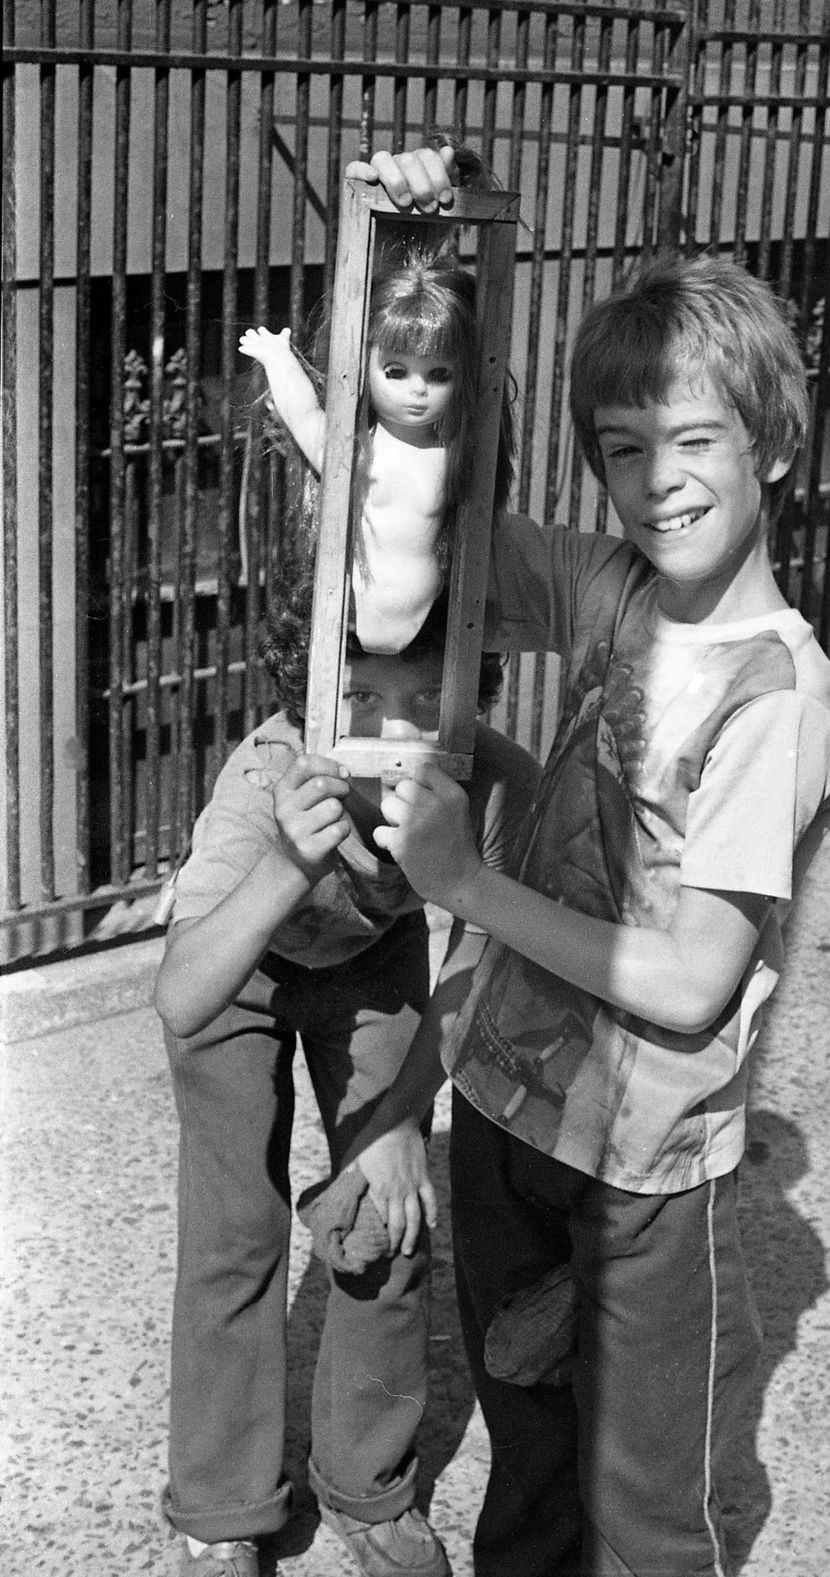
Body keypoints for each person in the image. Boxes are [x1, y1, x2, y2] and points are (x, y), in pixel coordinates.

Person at [349, 144, 830, 1576]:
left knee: (643, 1513)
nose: (655, 480)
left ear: (771, 444)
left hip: (644, 1173)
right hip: (513, 1118)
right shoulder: (615, 590)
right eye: (622, 448)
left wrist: (468, 887)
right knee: (531, 1450)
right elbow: (425, 507)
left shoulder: (779, 696)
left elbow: (696, 983)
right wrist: (420, 249)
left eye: (692, 439)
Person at [153, 567, 541, 1577]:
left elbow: (480, 955)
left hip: (371, 955)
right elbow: (184, 995)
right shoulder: (267, 777)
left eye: (427, 698)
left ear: (471, 689)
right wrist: (287, 859)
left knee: (389, 1211)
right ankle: (219, 1506)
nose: (397, 731)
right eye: (361, 698)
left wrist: (402, 1117)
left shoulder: (492, 778)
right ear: (311, 688)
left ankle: (367, 1486)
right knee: (234, 1230)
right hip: (243, 959)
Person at [239, 250, 510, 657]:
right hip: (352, 606)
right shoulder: (354, 454)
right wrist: (278, 357)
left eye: (439, 374)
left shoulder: (457, 453)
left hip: (431, 613)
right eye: (396, 371)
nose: (417, 390)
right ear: (365, 368)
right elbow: (306, 415)